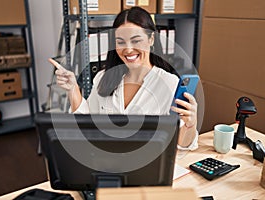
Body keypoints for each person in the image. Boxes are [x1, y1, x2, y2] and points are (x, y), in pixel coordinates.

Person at [49, 6, 198, 150]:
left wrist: (190, 124)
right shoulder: (103, 77)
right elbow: (87, 120)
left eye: (135, 40)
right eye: (120, 42)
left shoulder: (170, 84)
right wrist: (73, 88)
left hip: (147, 167)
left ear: (151, 39)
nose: (128, 49)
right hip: (106, 159)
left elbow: (183, 145)